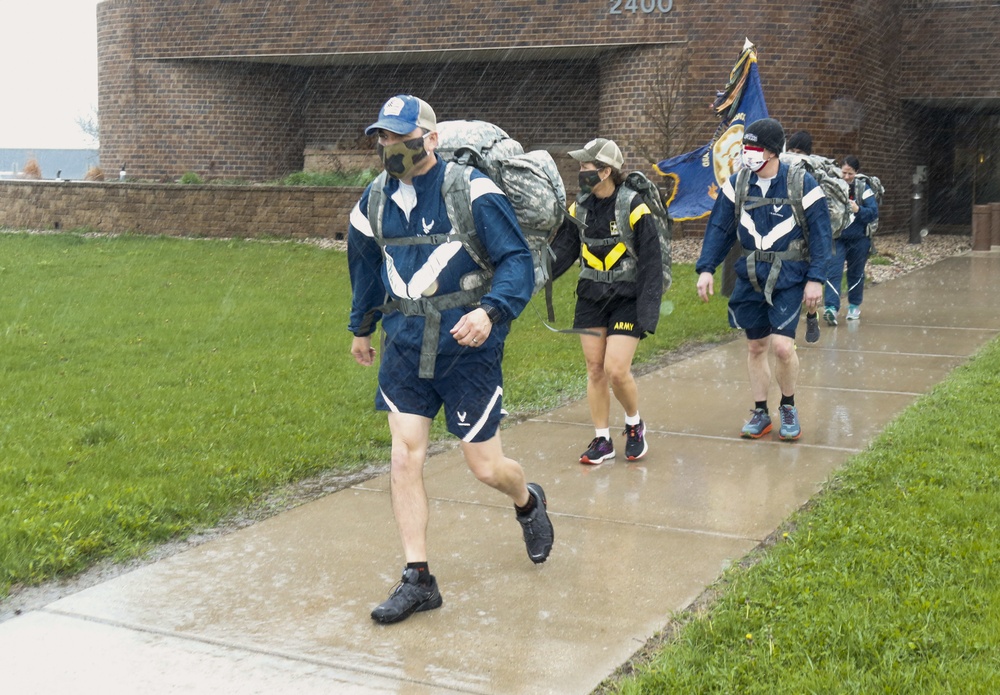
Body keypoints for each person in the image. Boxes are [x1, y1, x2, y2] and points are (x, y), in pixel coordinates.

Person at [347, 95, 554, 624]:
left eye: (399, 135)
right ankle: (419, 578)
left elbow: (515, 262)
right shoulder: (372, 201)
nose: (389, 145)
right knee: (404, 455)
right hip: (405, 345)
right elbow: (365, 266)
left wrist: (491, 312)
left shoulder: (473, 190)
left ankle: (527, 501)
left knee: (485, 467)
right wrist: (361, 326)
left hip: (467, 348)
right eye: (383, 137)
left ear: (431, 139)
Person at [695, 118, 832, 440]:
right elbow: (719, 229)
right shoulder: (737, 184)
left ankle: (788, 405)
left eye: (754, 148)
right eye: (746, 147)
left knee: (783, 347)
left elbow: (822, 236)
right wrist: (706, 268)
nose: (747, 154)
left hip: (789, 275)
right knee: (756, 346)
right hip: (751, 274)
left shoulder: (802, 184)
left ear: (772, 152)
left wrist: (817, 279)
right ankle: (760, 412)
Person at [549, 138, 663, 464]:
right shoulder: (579, 208)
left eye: (585, 166)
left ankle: (633, 423)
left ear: (605, 171)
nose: (580, 172)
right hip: (590, 296)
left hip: (627, 298)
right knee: (595, 369)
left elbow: (652, 263)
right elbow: (562, 253)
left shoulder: (634, 206)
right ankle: (602, 440)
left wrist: (648, 309)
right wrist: (527, 276)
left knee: (616, 369)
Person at [823, 155, 879, 324]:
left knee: (856, 273)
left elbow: (873, 213)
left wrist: (858, 209)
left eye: (850, 174)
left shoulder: (864, 188)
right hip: (837, 237)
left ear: (857, 173)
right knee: (833, 272)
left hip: (859, 239)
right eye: (844, 173)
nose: (846, 177)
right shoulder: (832, 187)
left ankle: (854, 305)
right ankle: (831, 308)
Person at [785, 130, 821, 344]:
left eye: (799, 151)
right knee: (790, 290)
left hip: (809, 241)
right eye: (791, 150)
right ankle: (788, 336)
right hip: (788, 238)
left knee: (809, 288)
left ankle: (811, 315)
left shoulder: (812, 174)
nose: (794, 155)